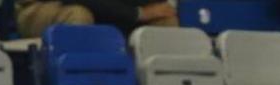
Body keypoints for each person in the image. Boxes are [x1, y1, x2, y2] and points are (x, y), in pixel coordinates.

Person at [14, 0, 177, 39]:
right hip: (41, 7)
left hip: (108, 8)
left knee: (164, 21)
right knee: (78, 15)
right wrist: (137, 13)